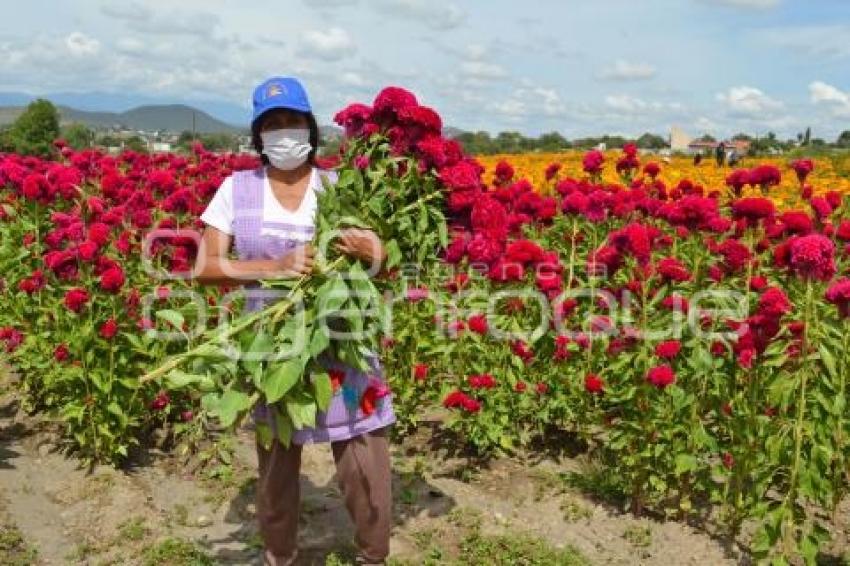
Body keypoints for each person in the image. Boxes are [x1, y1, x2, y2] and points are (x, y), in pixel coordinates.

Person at [193, 76, 395, 566]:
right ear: (258, 135)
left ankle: (373, 556)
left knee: (364, 455)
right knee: (277, 466)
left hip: (341, 339)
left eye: (293, 122)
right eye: (273, 124)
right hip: (272, 346)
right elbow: (205, 267)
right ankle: (280, 556)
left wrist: (378, 252)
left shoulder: (342, 187)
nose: (285, 133)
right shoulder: (236, 190)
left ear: (310, 127)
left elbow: (383, 265)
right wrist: (273, 268)